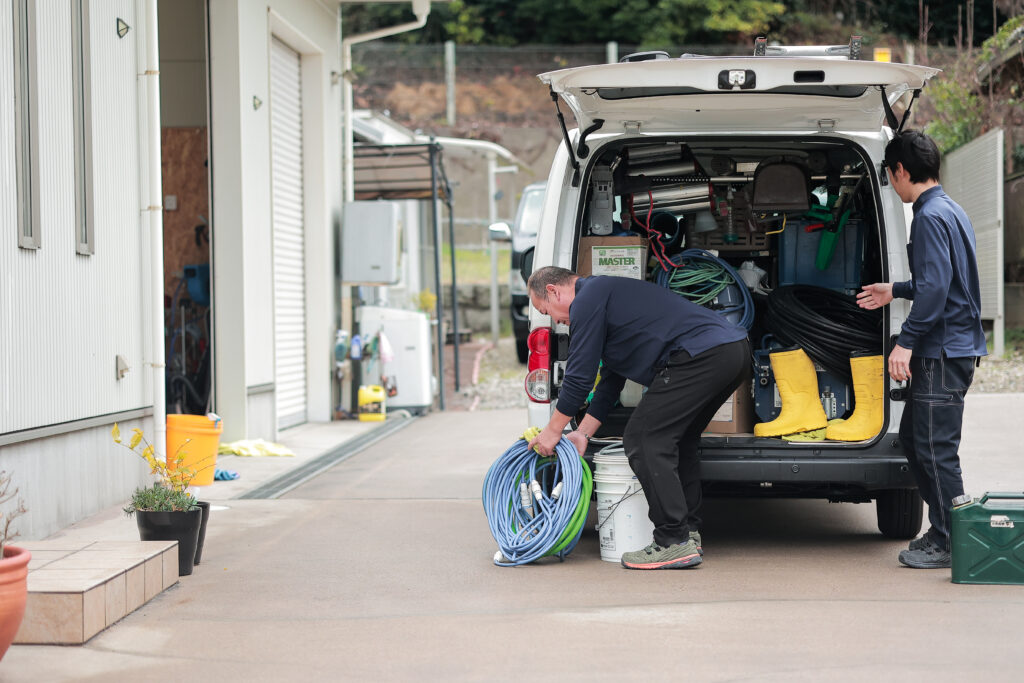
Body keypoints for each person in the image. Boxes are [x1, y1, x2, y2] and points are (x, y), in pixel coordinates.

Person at [525, 266, 749, 570]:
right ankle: (687, 534)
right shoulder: (603, 296)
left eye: (546, 311)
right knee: (678, 440)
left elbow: (579, 378)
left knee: (644, 439)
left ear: (554, 291)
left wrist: (553, 431)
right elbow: (610, 382)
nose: (555, 321)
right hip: (731, 352)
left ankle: (672, 542)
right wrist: (582, 433)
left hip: (701, 354)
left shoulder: (586, 300)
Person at [857, 130, 987, 569]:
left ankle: (953, 541)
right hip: (950, 348)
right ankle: (943, 530)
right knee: (916, 441)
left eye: (890, 174)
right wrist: (895, 289)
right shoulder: (950, 209)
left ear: (900, 171)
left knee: (935, 450)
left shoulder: (929, 216)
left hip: (941, 352)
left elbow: (935, 291)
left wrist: (905, 343)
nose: (892, 183)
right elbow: (942, 280)